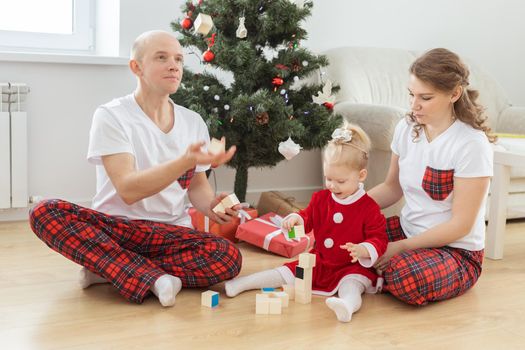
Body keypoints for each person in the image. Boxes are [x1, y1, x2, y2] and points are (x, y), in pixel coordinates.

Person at [29, 30, 242, 307]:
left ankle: (111, 268)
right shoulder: (112, 115)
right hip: (118, 229)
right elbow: (128, 189)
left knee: (227, 256)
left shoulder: (192, 121)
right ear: (136, 67)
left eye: (178, 59)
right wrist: (184, 161)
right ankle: (152, 278)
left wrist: (211, 205)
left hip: (170, 234)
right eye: (161, 57)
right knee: (44, 212)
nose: (174, 65)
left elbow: (197, 186)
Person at [369, 48, 495, 306]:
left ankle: (368, 271)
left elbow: (460, 225)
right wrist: (342, 209)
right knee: (342, 236)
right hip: (407, 231)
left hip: (456, 252)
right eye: (411, 95)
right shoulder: (407, 128)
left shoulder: (471, 144)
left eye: (425, 97)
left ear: (454, 94)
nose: (414, 105)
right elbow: (391, 188)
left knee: (404, 275)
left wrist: (402, 247)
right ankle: (371, 270)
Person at [225, 123, 388, 322]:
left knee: (352, 285)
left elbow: (379, 238)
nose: (332, 185)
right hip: (319, 261)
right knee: (285, 271)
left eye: (341, 181)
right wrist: (296, 218)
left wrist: (363, 249)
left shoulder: (368, 207)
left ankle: (347, 306)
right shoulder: (321, 198)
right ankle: (242, 283)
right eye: (328, 178)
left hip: (351, 267)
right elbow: (308, 217)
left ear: (361, 176)